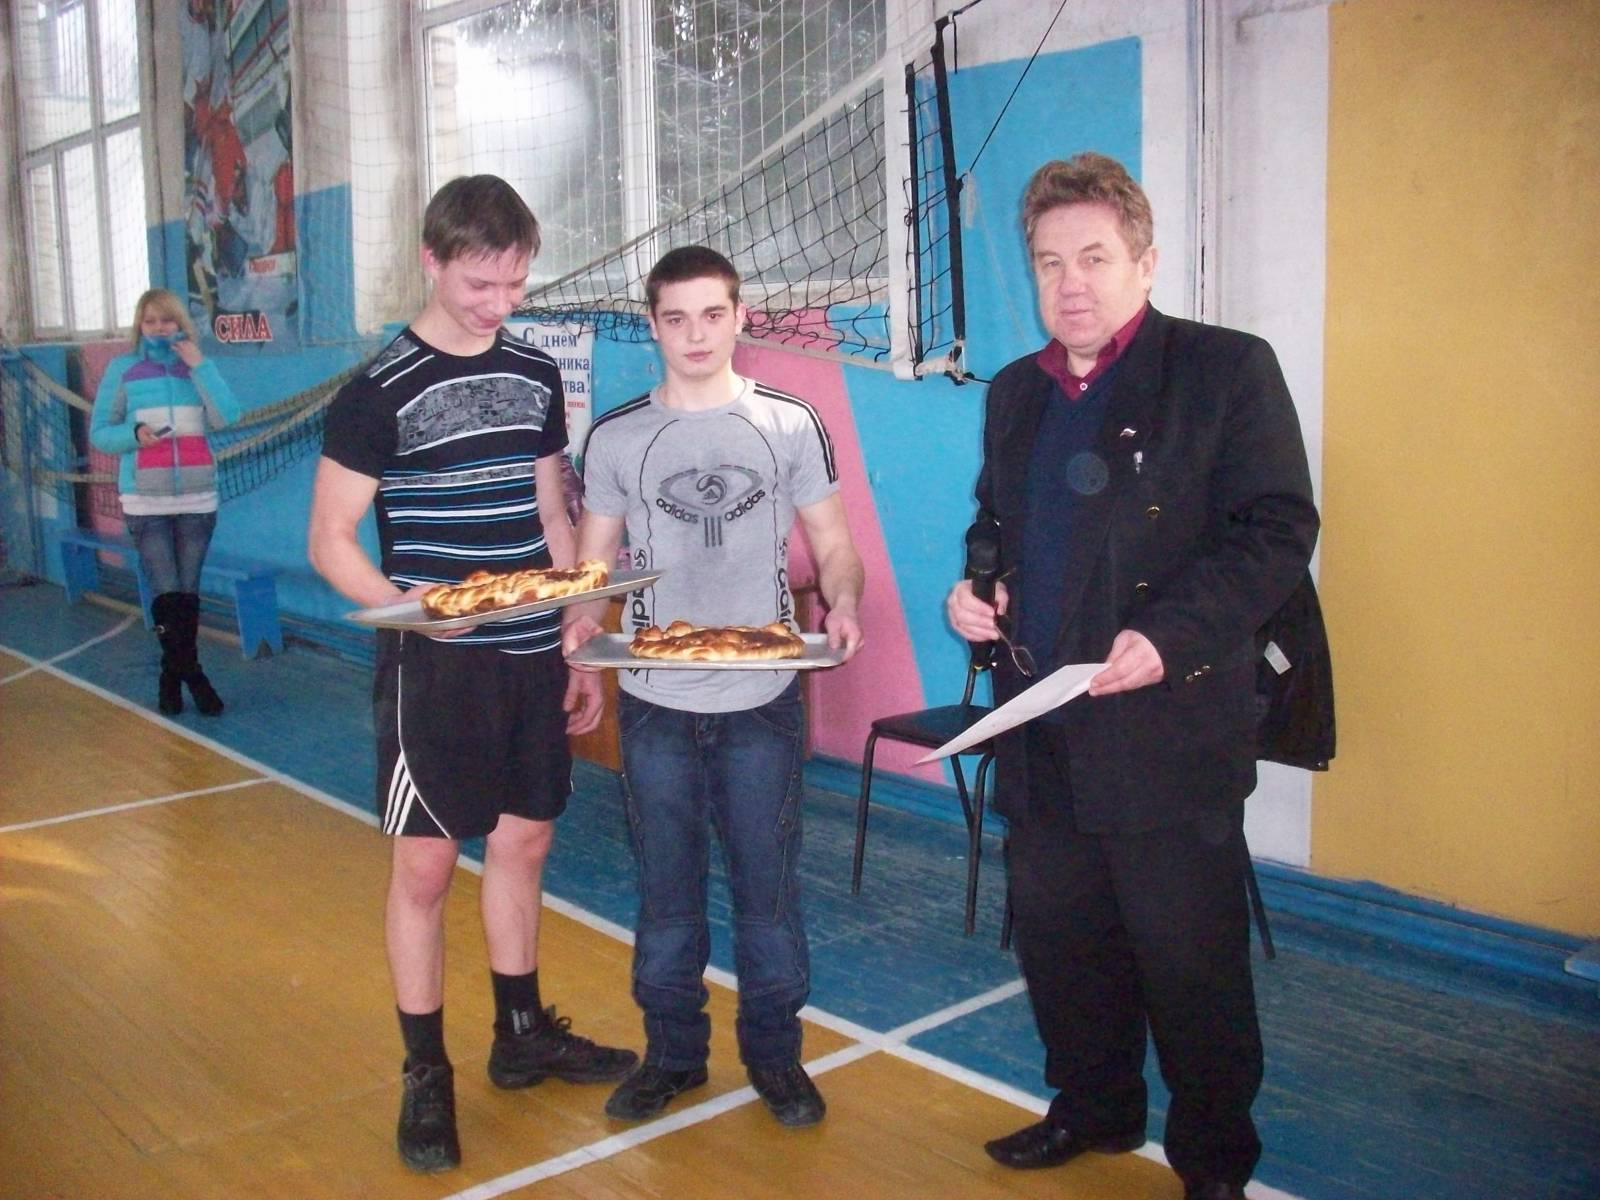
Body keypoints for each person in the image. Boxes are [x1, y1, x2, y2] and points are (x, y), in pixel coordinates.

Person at [945, 153, 1325, 1200]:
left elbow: (1276, 530)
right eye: (1049, 262)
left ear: (1145, 264)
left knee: (1188, 962)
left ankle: (1214, 1160)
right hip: (1043, 725)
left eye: (1095, 258)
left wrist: (1170, 635)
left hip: (1166, 728)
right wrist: (976, 593)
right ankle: (1094, 1107)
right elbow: (994, 524)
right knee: (1064, 947)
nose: (1071, 282)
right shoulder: (1016, 392)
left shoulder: (1224, 371)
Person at [308, 175, 637, 1174]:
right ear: (432, 260)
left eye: (515, 284)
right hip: (437, 668)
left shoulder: (534, 373)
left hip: (533, 652)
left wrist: (578, 619)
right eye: (479, 285)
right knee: (425, 868)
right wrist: (412, 611)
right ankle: (425, 1073)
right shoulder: (376, 394)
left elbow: (550, 510)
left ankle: (521, 1035)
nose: (499, 304)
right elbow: (330, 541)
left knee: (526, 841)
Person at [562, 246, 865, 1128]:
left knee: (767, 892)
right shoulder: (616, 436)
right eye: (675, 318)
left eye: (711, 314)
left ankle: (776, 1060)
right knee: (666, 893)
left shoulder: (790, 424)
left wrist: (844, 603)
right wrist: (579, 628)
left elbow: (835, 547)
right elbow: (592, 567)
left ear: (740, 318)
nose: (695, 334)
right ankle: (673, 1057)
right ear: (652, 326)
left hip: (763, 701)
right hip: (655, 701)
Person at [90, 287, 245, 716]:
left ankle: (171, 675)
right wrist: (133, 435)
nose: (160, 328)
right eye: (151, 321)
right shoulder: (123, 369)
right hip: (145, 499)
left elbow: (228, 416)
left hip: (197, 498)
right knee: (166, 592)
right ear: (140, 326)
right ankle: (192, 674)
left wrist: (201, 366)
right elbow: (100, 432)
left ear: (181, 323)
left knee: (187, 593)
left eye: (167, 319)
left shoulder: (196, 367)